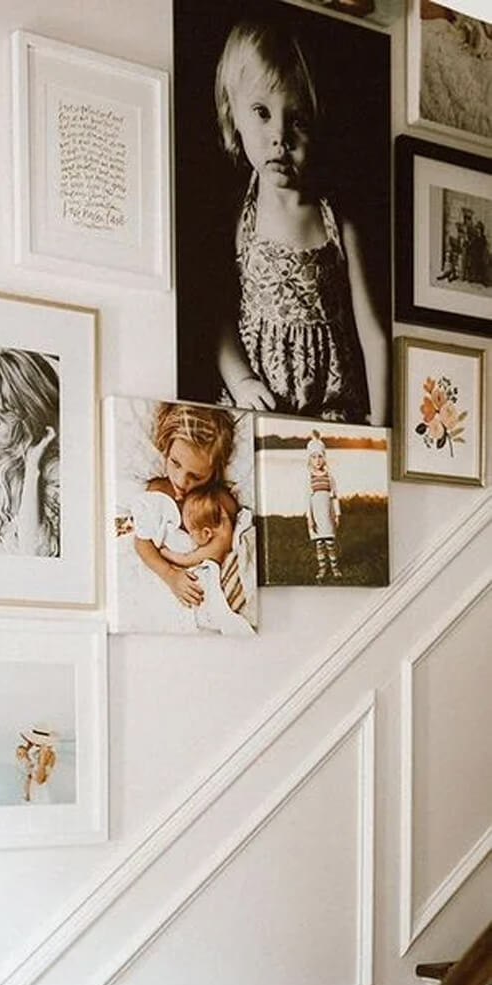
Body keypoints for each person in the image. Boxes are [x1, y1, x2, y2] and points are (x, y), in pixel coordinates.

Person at [214, 18, 388, 425]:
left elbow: (373, 334)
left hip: (331, 412)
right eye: (261, 112)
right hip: (256, 407)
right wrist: (240, 381)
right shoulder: (238, 215)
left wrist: (380, 432)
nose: (280, 136)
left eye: (298, 120)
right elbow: (217, 315)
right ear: (232, 112)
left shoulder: (337, 223)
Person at [132, 401, 253, 621]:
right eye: (175, 463)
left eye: (196, 476)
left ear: (214, 472)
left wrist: (188, 557)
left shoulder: (217, 499)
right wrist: (170, 575)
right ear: (166, 448)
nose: (181, 481)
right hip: (171, 580)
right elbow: (142, 543)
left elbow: (223, 542)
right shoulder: (159, 492)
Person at [0, 349, 60, 557]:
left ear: (30, 422)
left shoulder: (54, 473)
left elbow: (35, 551)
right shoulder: (1, 451)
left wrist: (32, 469)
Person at [135, 481, 253, 635]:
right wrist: (170, 574)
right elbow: (141, 541)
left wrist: (170, 556)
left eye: (191, 532)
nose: (189, 536)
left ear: (206, 533)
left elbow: (190, 558)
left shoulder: (224, 533)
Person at [306, 439, 342, 581]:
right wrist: (310, 518)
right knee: (319, 543)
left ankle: (334, 568)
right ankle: (322, 568)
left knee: (330, 542)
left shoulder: (329, 477)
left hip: (328, 515)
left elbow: (335, 497)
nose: (318, 460)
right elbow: (307, 500)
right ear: (310, 459)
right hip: (316, 515)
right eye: (314, 457)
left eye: (320, 456)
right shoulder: (309, 478)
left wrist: (337, 514)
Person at [15, 728, 57, 804]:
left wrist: (42, 759)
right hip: (28, 794)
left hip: (38, 796)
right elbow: (22, 761)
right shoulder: (32, 751)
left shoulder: (50, 755)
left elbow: (40, 781)